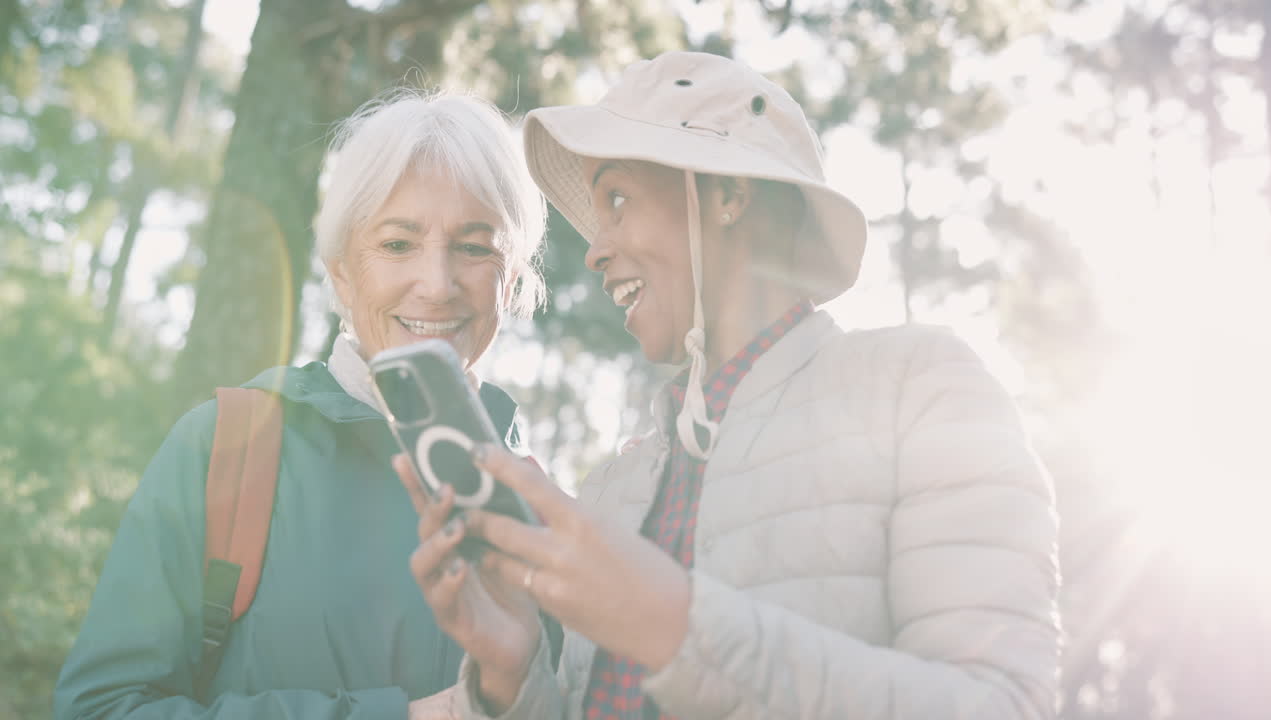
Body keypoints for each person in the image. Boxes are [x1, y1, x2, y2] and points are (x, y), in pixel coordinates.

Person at [400, 51, 1060, 720]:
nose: (595, 249)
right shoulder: (609, 488)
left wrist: (675, 626)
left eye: (618, 200)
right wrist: (513, 677)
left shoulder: (921, 390)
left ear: (727, 194)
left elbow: (998, 706)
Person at [54, 90, 548, 720]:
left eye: (476, 247)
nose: (437, 283)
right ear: (342, 272)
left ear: (510, 280)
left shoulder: (542, 504)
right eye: (398, 245)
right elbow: (97, 709)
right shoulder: (226, 446)